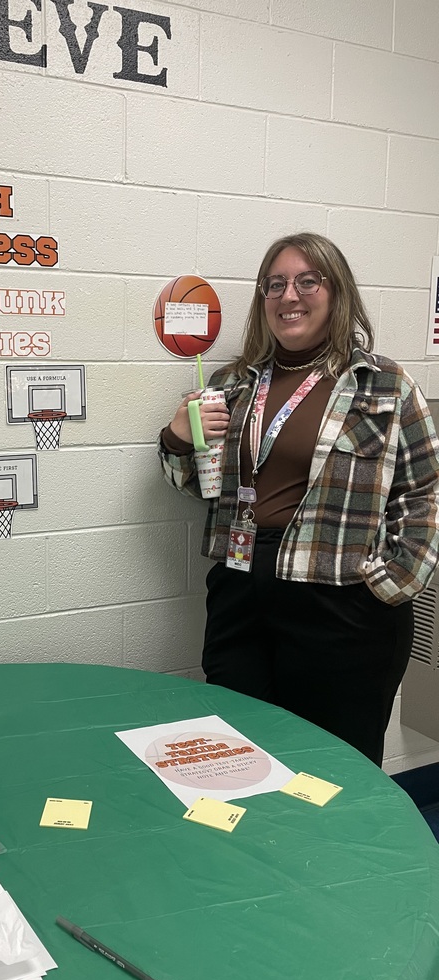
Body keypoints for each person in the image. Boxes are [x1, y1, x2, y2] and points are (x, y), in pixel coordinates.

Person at [158, 232, 439, 766]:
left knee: (336, 766)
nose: (290, 295)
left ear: (337, 294)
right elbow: (201, 486)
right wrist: (177, 438)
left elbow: (426, 490)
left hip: (342, 602)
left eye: (308, 281)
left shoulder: (383, 385)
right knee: (238, 754)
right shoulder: (233, 384)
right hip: (241, 588)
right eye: (276, 284)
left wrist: (391, 583)